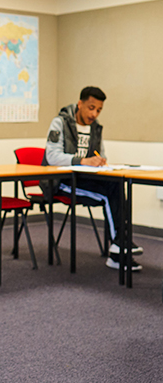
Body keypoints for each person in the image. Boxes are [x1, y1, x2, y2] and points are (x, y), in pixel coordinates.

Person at [41, 86, 143, 271]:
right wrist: (83, 161)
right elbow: (52, 157)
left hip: (84, 180)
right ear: (80, 104)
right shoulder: (60, 122)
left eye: (99, 110)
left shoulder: (95, 128)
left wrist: (100, 161)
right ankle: (120, 246)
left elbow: (100, 154)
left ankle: (119, 247)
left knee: (117, 186)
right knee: (106, 195)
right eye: (91, 107)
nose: (94, 113)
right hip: (60, 181)